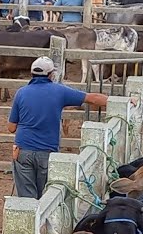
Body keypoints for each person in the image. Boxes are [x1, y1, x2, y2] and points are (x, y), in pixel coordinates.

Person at [8, 57, 110, 197]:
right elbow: (92, 98)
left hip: (23, 149)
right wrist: (120, 101)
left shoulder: (21, 92)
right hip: (47, 150)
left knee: (26, 197)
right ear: (51, 75)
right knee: (44, 195)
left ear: (31, 74)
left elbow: (11, 127)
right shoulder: (59, 91)